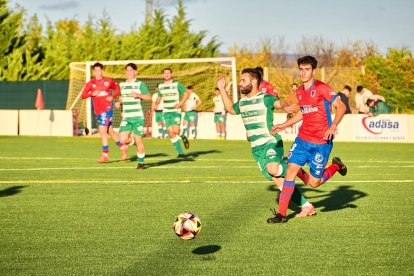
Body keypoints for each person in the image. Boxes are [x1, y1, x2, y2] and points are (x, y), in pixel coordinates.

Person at [217, 68, 316, 219]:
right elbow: (230, 109)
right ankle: (307, 206)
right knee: (279, 182)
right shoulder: (242, 103)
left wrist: (286, 107)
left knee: (273, 169)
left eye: (243, 80)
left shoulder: (265, 98)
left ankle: (295, 168)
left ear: (254, 82)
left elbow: (278, 102)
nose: (240, 84)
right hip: (257, 149)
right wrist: (222, 89)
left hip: (271, 142)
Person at [269, 55, 348, 223]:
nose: (303, 73)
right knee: (291, 170)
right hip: (302, 139)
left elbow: (341, 106)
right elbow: (303, 112)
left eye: (307, 69)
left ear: (313, 70)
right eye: (301, 69)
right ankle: (281, 215)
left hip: (321, 143)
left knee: (314, 183)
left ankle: (336, 165)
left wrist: (333, 125)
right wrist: (284, 124)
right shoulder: (299, 92)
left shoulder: (322, 88)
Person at [81, 62, 128, 163]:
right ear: (93, 71)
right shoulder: (90, 83)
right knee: (109, 131)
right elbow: (83, 95)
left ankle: (105, 154)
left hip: (107, 109)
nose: (98, 72)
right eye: (96, 71)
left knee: (102, 131)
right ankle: (123, 147)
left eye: (99, 70)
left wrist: (112, 96)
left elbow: (117, 89)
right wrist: (91, 94)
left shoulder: (108, 81)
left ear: (102, 71)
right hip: (98, 110)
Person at [116, 63, 151, 169]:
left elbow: (149, 97)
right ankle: (132, 141)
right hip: (127, 117)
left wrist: (139, 95)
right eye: (126, 70)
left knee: (139, 140)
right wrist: (119, 104)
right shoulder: (122, 85)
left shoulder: (140, 84)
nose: (128, 72)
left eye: (130, 70)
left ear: (135, 72)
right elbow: (122, 98)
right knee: (122, 140)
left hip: (137, 117)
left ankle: (141, 163)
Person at [154, 68, 191, 157]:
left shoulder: (176, 84)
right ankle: (181, 153)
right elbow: (159, 97)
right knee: (170, 132)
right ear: (163, 75)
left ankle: (183, 137)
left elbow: (186, 94)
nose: (166, 74)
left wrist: (180, 103)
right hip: (166, 111)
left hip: (175, 111)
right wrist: (156, 103)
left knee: (176, 130)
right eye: (165, 73)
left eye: (168, 73)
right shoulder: (161, 86)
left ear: (171, 74)